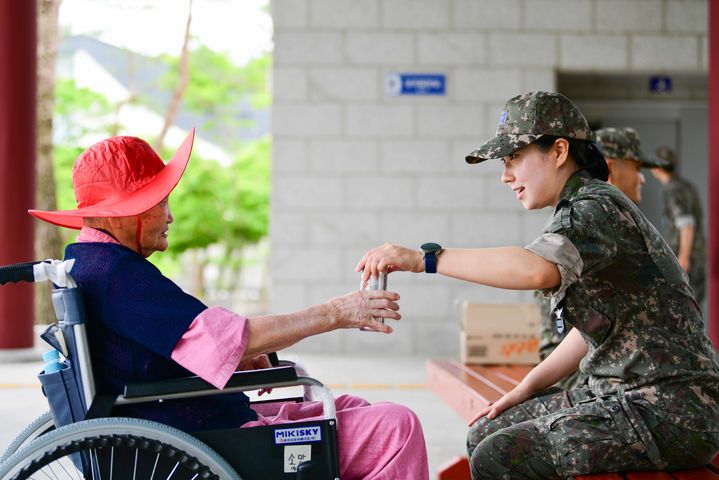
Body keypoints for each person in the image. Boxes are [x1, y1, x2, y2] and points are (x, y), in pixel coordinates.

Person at [28, 129, 429, 480]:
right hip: (199, 442)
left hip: (186, 425)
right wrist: (337, 312)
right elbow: (229, 338)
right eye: (160, 201)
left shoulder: (86, 263)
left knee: (352, 409)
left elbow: (170, 346)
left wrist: (238, 354)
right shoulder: (118, 274)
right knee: (396, 426)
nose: (169, 215)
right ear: (124, 211)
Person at [357, 92, 719, 479]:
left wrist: (425, 258)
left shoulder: (593, 207)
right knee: (484, 433)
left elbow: (536, 269)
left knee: (500, 456)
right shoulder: (582, 207)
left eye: (514, 157)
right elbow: (588, 331)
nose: (505, 174)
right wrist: (525, 389)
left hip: (672, 408)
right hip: (626, 395)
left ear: (559, 151)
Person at [537, 126, 668, 391]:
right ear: (611, 167)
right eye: (636, 167)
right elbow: (570, 336)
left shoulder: (613, 222)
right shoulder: (587, 226)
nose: (642, 178)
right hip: (583, 374)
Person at [650, 146, 706, 304]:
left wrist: (683, 257)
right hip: (697, 257)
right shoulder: (685, 186)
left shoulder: (673, 190)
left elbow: (686, 223)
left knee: (685, 309)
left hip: (686, 260)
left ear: (656, 167)